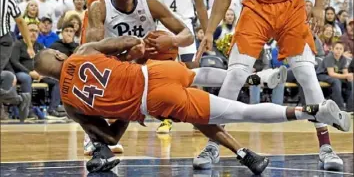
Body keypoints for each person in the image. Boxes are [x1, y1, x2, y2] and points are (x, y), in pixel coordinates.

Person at [33, 36, 351, 174]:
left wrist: (126, 111)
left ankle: (309, 111)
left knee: (236, 111)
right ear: (60, 55)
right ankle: (258, 78)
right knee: (198, 73)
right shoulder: (83, 52)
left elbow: (111, 138)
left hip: (152, 101)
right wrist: (130, 58)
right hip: (153, 72)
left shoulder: (71, 104)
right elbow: (130, 44)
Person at [196, 0, 345, 171]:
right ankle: (214, 143)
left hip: (290, 8)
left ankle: (326, 147)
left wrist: (320, 5)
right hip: (256, 9)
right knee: (235, 74)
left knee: (306, 73)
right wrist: (210, 30)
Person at [84, 0, 194, 155]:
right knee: (94, 75)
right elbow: (91, 53)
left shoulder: (150, 4)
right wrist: (126, 55)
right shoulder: (99, 7)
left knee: (182, 77)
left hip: (144, 65)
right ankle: (93, 135)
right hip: (111, 64)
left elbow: (187, 34)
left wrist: (172, 42)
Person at [147, 0, 209, 133]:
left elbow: (200, 7)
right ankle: (166, 119)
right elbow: (148, 6)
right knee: (164, 77)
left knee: (193, 74)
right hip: (162, 30)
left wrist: (207, 33)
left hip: (186, 30)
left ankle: (201, 115)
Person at [0, 0, 34, 120]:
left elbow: (20, 21)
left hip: (2, 41)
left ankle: (19, 100)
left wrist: (29, 45)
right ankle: (20, 100)